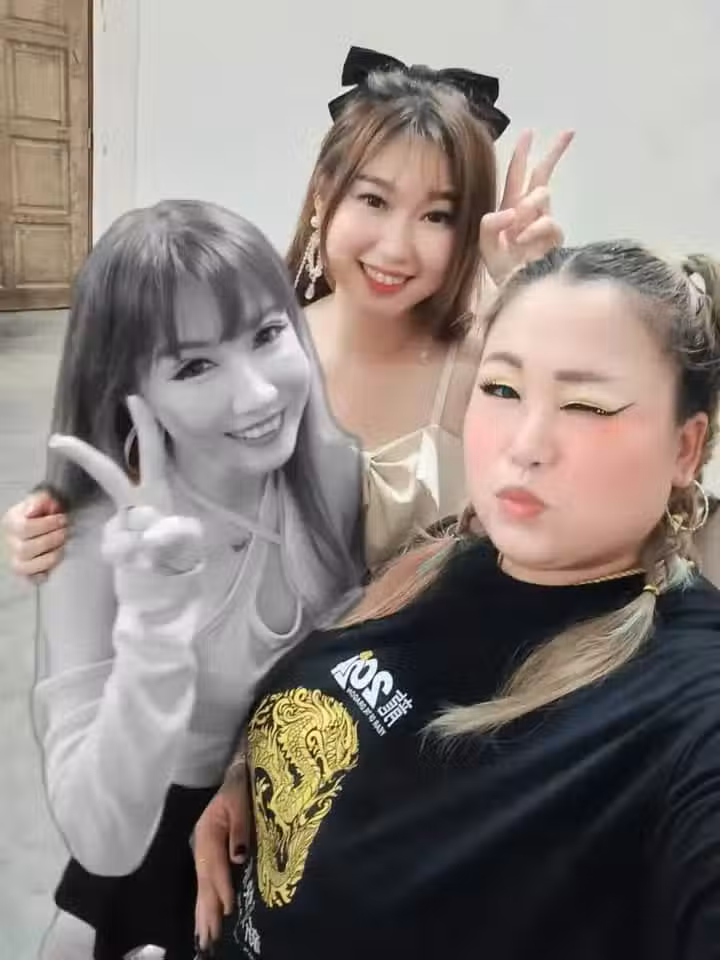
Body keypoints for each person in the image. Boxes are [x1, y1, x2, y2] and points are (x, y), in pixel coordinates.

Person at [195, 241, 720, 959]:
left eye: (586, 404)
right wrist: (251, 784)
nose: (525, 445)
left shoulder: (688, 701)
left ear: (685, 448)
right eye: (501, 389)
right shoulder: (445, 555)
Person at [3, 45, 573, 577]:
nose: (396, 247)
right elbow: (140, 492)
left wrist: (524, 287)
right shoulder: (236, 348)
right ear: (324, 196)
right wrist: (53, 526)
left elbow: (568, 497)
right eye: (374, 200)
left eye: (437, 216)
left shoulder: (485, 372)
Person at [31, 198, 365, 960]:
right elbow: (103, 840)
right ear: (128, 387)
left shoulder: (334, 470)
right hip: (156, 829)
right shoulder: (95, 543)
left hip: (290, 810)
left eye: (267, 334)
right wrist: (154, 623)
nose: (259, 394)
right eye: (194, 365)